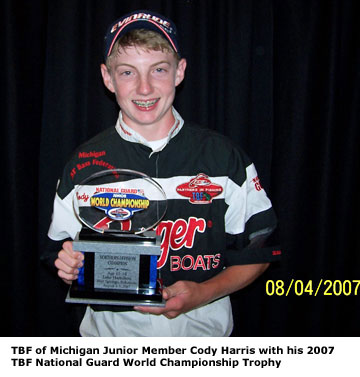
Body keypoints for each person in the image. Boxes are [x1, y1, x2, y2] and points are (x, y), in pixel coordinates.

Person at [46, 10, 280, 336]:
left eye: (158, 69)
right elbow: (61, 251)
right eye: (128, 72)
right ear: (108, 77)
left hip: (204, 345)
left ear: (179, 72)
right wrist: (67, 263)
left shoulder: (223, 158)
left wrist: (203, 293)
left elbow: (260, 249)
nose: (144, 88)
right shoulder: (84, 164)